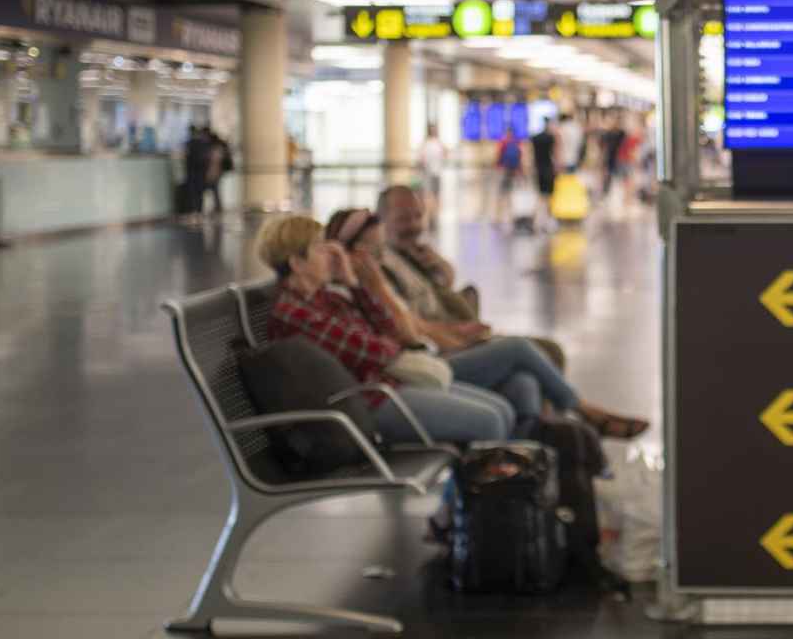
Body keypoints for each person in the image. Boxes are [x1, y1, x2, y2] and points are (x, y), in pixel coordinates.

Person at [324, 208, 644, 439]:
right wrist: (375, 287)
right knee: (521, 350)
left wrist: (439, 276)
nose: (379, 256)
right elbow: (407, 335)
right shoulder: (364, 285)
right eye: (372, 249)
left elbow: (431, 304)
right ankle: (583, 411)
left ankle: (528, 468)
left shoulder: (393, 264)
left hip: (433, 351)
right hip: (421, 366)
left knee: (523, 382)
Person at [255, 215, 515, 447]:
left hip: (384, 387)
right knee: (491, 421)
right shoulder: (295, 314)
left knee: (502, 410)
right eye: (320, 248)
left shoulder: (325, 298)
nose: (332, 254)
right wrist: (393, 346)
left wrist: (353, 283)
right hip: (363, 405)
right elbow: (373, 351)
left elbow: (387, 329)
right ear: (298, 263)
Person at [375, 185, 569, 369]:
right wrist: (460, 333)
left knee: (527, 380)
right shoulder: (383, 269)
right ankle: (577, 404)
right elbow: (413, 324)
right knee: (546, 352)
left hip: (462, 337)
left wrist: (439, 264)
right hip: (444, 347)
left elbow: (446, 285)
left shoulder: (414, 254)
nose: (415, 226)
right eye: (403, 219)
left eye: (418, 217)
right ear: (381, 222)